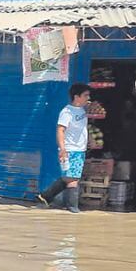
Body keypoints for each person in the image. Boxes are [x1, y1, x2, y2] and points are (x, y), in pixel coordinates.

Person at [37, 83, 92, 213]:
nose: (88, 98)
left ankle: (46, 196)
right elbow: (60, 130)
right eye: (85, 95)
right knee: (72, 179)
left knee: (69, 176)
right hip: (70, 149)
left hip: (80, 149)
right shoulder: (66, 112)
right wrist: (62, 149)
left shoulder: (82, 110)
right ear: (76, 97)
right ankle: (72, 207)